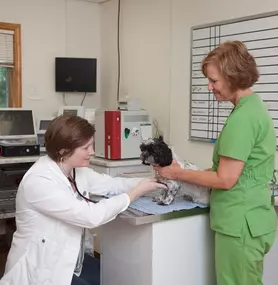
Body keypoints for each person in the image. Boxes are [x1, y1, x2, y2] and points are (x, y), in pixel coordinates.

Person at [155, 40, 277, 285]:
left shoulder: (243, 119)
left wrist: (178, 174)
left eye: (213, 81)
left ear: (234, 76)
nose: (209, 87)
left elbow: (225, 179)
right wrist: (193, 173)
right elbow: (230, 170)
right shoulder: (253, 108)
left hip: (240, 224)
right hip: (252, 220)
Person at [0, 115, 166, 285]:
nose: (92, 152)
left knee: (112, 276)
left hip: (71, 257)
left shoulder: (74, 169)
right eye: (86, 147)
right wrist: (134, 194)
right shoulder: (40, 181)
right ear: (63, 151)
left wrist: (153, 181)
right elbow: (90, 216)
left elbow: (112, 184)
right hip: (42, 266)